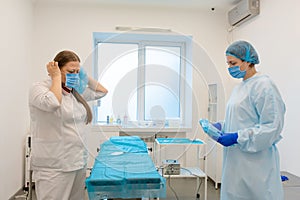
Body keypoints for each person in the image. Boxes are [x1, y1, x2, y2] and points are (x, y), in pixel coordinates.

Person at [201, 40, 286, 200]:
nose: (230, 68)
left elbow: (272, 127)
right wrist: (220, 126)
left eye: (233, 63)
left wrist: (237, 137)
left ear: (248, 61)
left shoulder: (264, 86)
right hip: (235, 164)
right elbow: (241, 119)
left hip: (256, 166)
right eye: (228, 64)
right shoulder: (240, 88)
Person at [29, 50, 108, 199]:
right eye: (71, 71)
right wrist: (56, 77)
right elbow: (52, 103)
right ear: (57, 70)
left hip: (77, 162)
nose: (75, 75)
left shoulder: (73, 91)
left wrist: (83, 74)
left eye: (77, 72)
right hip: (54, 166)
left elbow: (102, 91)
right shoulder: (39, 88)